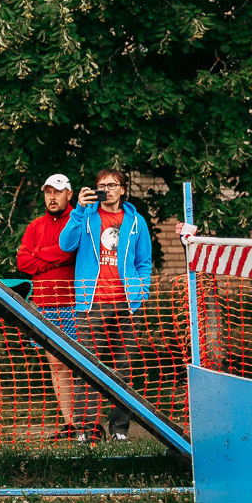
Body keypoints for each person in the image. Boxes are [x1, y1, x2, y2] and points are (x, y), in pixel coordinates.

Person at [58, 168, 153, 442]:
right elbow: (66, 245)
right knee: (87, 367)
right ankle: (86, 430)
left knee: (124, 367)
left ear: (123, 190)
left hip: (126, 305)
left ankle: (119, 429)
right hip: (91, 304)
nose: (107, 189)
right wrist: (78, 210)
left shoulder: (136, 222)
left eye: (113, 185)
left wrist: (140, 290)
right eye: (102, 185)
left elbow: (143, 261)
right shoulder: (86, 217)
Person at [15, 173, 80, 440]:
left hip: (74, 303)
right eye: (47, 192)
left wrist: (41, 254)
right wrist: (56, 260)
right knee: (55, 364)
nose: (52, 197)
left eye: (57, 191)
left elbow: (71, 253)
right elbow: (23, 262)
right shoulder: (35, 226)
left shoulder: (78, 221)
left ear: (69, 194)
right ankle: (71, 424)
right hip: (44, 305)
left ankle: (88, 422)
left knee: (79, 363)